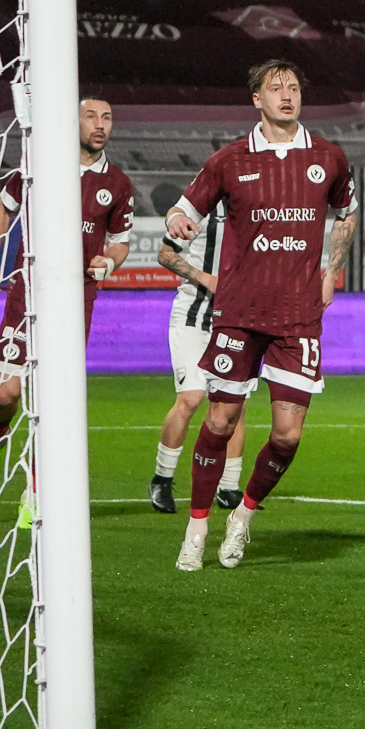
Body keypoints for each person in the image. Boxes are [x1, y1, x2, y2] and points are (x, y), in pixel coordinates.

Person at [167, 61, 359, 572]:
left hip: (298, 316)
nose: (286, 95)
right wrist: (178, 219)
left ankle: (244, 515)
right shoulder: (229, 160)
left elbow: (347, 212)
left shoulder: (328, 157)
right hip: (239, 312)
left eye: (293, 87)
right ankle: (196, 528)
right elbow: (181, 209)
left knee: (287, 435)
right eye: (275, 88)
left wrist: (331, 270)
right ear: (257, 99)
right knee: (220, 420)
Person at [0, 95, 135, 526]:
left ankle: (36, 493)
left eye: (107, 117)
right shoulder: (39, 165)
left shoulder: (118, 183)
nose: (100, 124)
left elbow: (121, 242)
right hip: (27, 294)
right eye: (91, 116)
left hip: (77, 302)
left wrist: (109, 262)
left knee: (54, 401)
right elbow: (2, 208)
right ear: (73, 122)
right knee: (5, 395)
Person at [148, 202, 241, 513]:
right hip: (193, 318)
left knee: (234, 405)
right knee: (190, 399)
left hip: (236, 322)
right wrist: (206, 278)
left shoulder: (260, 209)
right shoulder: (203, 208)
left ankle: (229, 487)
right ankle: (162, 479)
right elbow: (165, 254)